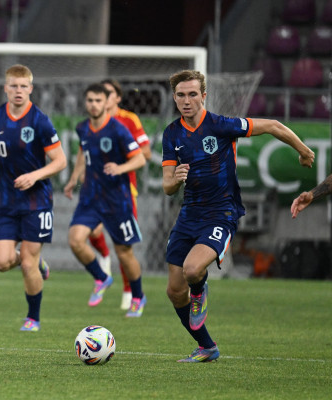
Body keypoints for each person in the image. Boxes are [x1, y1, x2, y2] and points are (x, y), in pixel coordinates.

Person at [162, 70, 314, 362]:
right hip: (188, 214)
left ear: (203, 96)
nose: (186, 100)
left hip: (222, 212)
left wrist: (304, 151)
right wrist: (176, 178)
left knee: (192, 270)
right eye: (181, 95)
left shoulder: (220, 125)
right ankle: (206, 346)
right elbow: (168, 185)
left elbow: (272, 125)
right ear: (174, 97)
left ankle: (200, 289)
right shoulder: (172, 133)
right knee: (173, 290)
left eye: (193, 94)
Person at [0, 64, 67, 332]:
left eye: (23, 86)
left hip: (36, 201)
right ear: (5, 87)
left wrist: (35, 176)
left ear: (31, 88)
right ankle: (37, 262)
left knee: (27, 263)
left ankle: (33, 318)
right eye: (13, 86)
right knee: (1, 262)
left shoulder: (40, 121)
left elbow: (61, 161)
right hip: (5, 201)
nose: (18, 91)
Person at [64, 83, 147, 318]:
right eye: (90, 100)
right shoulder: (82, 128)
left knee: (124, 253)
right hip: (90, 198)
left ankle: (138, 296)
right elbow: (83, 152)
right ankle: (102, 278)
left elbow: (140, 159)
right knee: (75, 240)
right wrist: (73, 179)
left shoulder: (118, 129)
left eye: (98, 100)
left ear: (106, 102)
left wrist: (120, 168)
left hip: (116, 200)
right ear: (85, 102)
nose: (94, 105)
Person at [85, 78, 153, 310]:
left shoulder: (128, 120)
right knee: (88, 231)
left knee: (123, 247)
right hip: (96, 189)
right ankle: (103, 258)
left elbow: (146, 152)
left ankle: (128, 291)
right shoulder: (91, 123)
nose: (103, 97)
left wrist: (122, 155)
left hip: (123, 190)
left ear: (117, 98)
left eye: (108, 93)